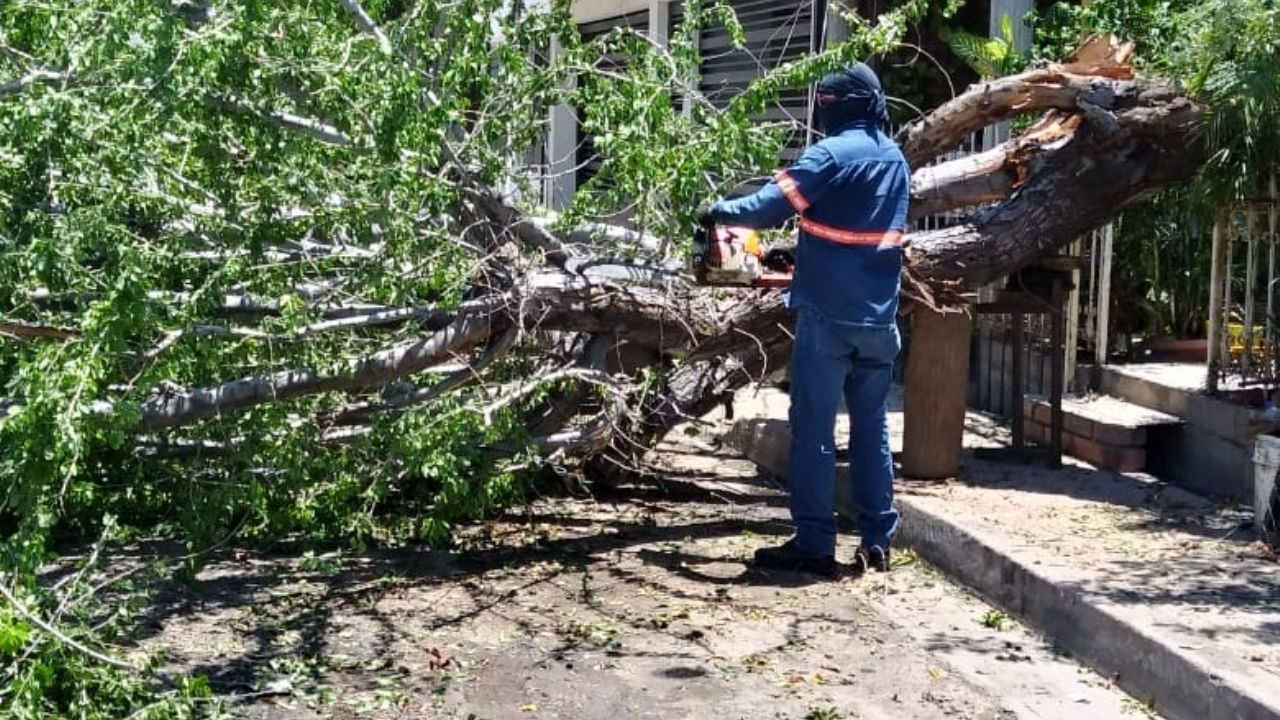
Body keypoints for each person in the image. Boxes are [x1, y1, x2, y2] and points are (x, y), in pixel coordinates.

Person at [700, 62, 910, 577]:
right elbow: (857, 228)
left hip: (828, 319)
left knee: (813, 429)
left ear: (835, 105)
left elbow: (766, 207)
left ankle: (815, 545)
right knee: (871, 429)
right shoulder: (894, 158)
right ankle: (878, 541)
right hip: (880, 320)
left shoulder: (831, 154)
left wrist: (716, 211)